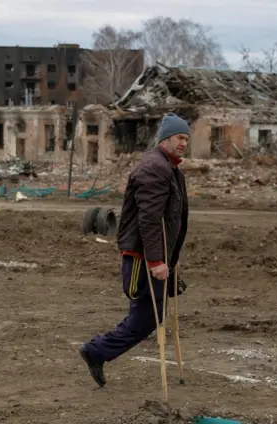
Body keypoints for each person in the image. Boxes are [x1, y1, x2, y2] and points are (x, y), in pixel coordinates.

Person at [79, 112, 191, 387]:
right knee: (145, 318)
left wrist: (170, 260)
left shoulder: (170, 168)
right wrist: (156, 261)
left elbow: (169, 219)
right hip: (144, 258)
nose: (183, 143)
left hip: (155, 256)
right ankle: (96, 351)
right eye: (179, 137)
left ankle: (97, 351)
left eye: (186, 139)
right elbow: (150, 219)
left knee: (149, 317)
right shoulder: (155, 168)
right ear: (165, 139)